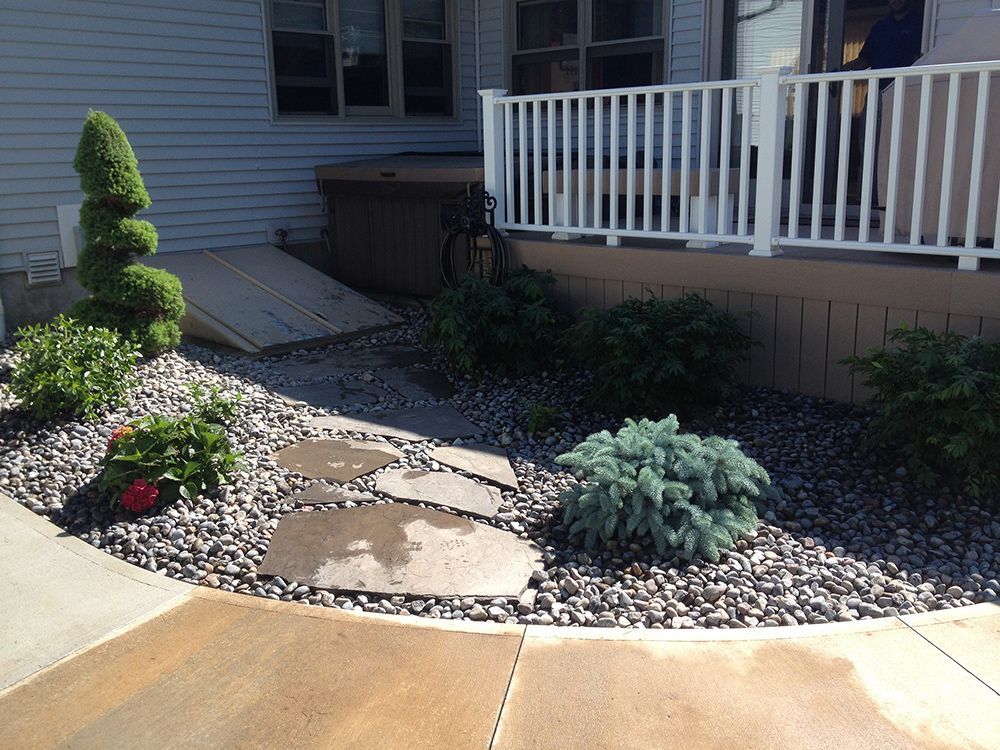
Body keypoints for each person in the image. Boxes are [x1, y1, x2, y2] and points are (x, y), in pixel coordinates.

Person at [842, 0, 924, 74]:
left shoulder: (920, 24)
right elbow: (865, 59)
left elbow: (922, 58)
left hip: (906, 86)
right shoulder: (880, 27)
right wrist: (841, 71)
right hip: (879, 87)